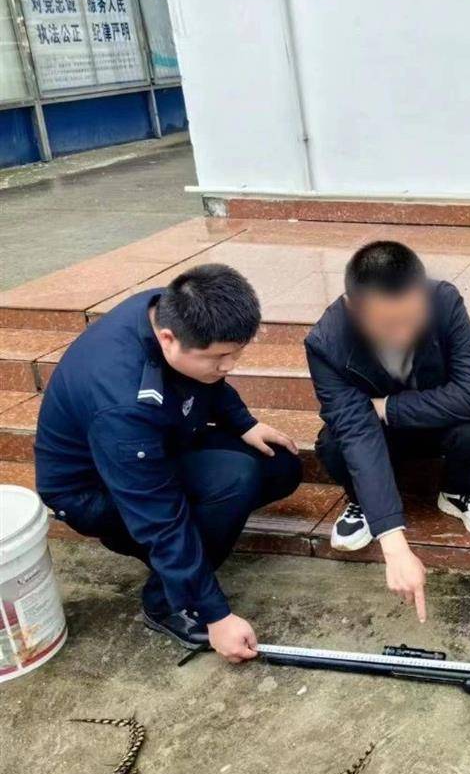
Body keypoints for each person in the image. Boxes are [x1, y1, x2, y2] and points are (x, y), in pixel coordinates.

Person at [34, 265, 302, 662]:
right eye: (220, 356)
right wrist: (216, 615)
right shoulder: (123, 403)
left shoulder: (173, 308)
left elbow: (207, 379)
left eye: (237, 352)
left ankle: (190, 554)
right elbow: (158, 517)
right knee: (234, 480)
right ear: (167, 339)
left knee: (278, 465)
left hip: (158, 443)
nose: (230, 365)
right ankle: (167, 602)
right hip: (93, 490)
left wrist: (244, 423)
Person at [306, 240, 470, 622]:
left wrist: (388, 408)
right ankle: (365, 503)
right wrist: (394, 545)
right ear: (353, 308)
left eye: (412, 319)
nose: (403, 334)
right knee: (334, 444)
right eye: (387, 324)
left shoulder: (444, 302)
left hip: (437, 425)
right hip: (376, 436)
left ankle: (458, 491)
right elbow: (356, 430)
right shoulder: (326, 342)